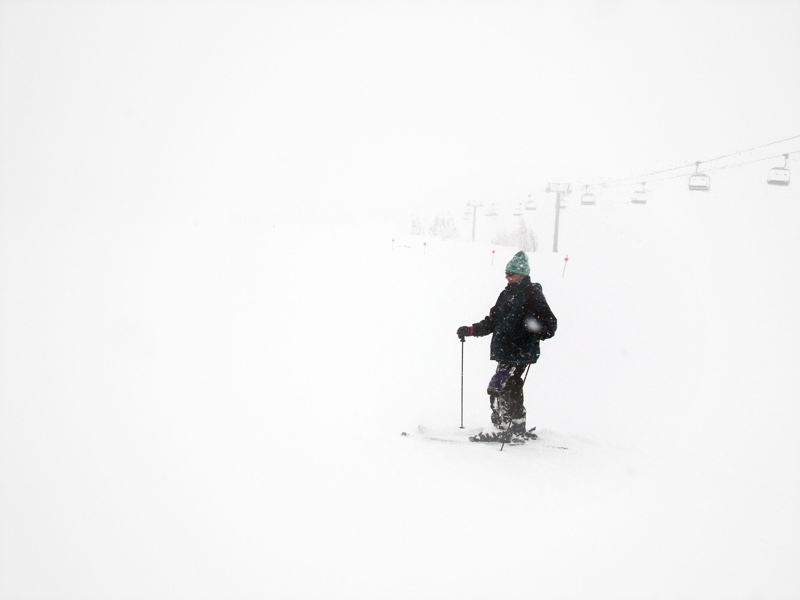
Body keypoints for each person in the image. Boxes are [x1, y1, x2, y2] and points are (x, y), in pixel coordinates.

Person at [456, 250, 557, 443]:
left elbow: (550, 324)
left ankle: (502, 427)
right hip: (505, 350)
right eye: (506, 273)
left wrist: (536, 328)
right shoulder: (506, 293)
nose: (507, 277)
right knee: (511, 386)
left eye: (510, 274)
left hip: (520, 350)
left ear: (522, 274)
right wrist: (470, 330)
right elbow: (493, 321)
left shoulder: (532, 294)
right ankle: (517, 425)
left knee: (498, 386)